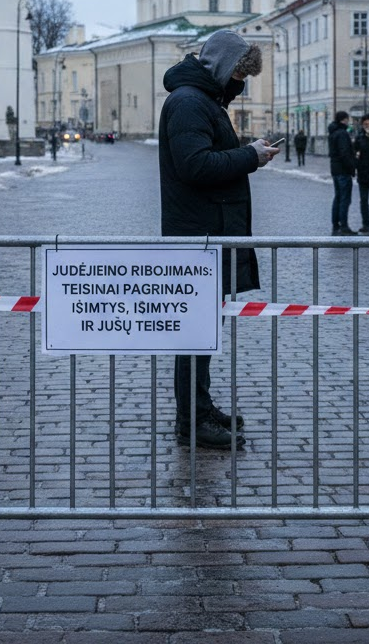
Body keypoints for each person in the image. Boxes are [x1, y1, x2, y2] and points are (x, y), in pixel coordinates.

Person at [158, 28, 280, 450]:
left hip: (208, 233)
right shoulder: (190, 103)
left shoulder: (203, 101)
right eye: (239, 75)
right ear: (223, 68)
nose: (240, 85)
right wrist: (251, 156)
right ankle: (192, 420)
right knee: (195, 333)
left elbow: (207, 155)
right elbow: (195, 165)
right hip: (198, 237)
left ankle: (200, 407)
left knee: (203, 331)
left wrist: (248, 152)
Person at [327, 110, 356, 235]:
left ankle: (336, 225)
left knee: (338, 197)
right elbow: (344, 153)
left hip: (335, 169)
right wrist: (352, 167)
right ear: (344, 120)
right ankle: (344, 226)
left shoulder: (333, 132)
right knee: (345, 199)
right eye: (347, 119)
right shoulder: (342, 133)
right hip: (343, 170)